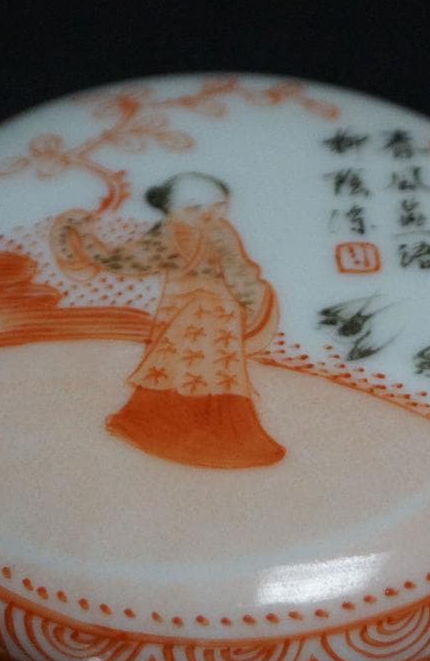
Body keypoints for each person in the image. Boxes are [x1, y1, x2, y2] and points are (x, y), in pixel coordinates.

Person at [50, 172, 285, 468]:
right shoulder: (168, 234)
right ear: (170, 208)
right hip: (182, 314)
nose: (208, 214)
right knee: (173, 368)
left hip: (216, 317)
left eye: (217, 206)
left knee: (214, 372)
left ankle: (217, 437)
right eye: (195, 207)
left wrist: (253, 300)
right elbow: (128, 261)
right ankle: (163, 431)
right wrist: (87, 240)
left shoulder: (219, 231)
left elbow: (239, 271)